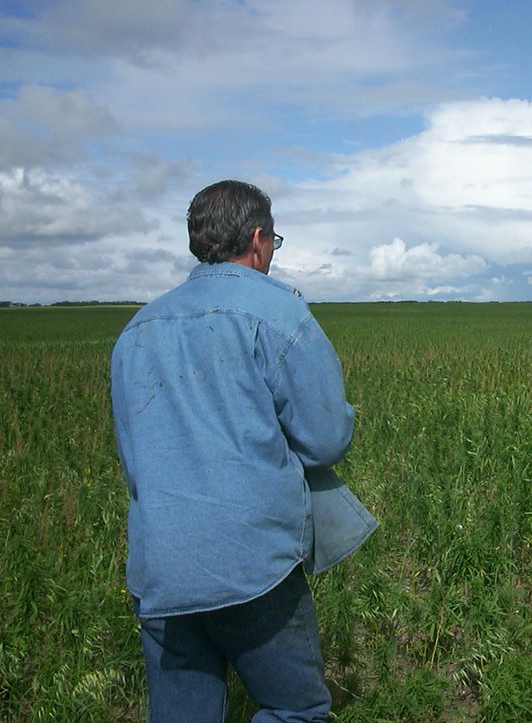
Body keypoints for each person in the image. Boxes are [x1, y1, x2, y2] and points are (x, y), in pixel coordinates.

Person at [111, 180, 376, 722]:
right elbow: (326, 437)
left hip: (160, 565)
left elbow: (136, 456)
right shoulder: (278, 314)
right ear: (257, 240)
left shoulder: (137, 331)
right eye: (273, 242)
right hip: (251, 564)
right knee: (294, 708)